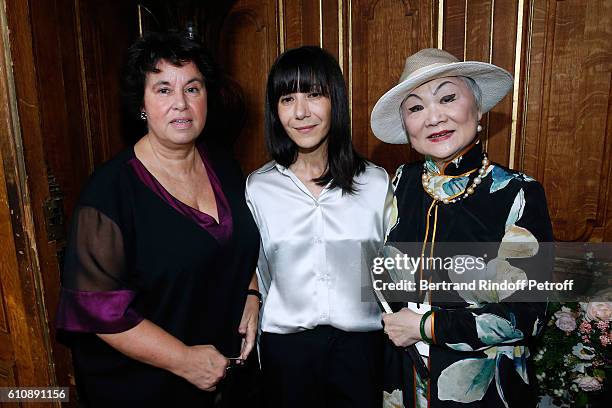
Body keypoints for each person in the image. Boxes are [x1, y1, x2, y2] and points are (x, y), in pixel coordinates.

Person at [55, 31, 261, 406]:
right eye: (164, 89)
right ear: (142, 103)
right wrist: (183, 360)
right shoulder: (109, 193)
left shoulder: (224, 165)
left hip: (226, 377)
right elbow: (99, 310)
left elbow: (238, 240)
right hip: (147, 388)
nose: (180, 104)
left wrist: (251, 291)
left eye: (192, 88)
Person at [370, 48, 554, 407]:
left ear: (478, 108)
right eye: (416, 107)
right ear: (407, 126)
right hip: (403, 382)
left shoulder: (517, 192)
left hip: (483, 389)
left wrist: (424, 327)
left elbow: (527, 315)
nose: (433, 117)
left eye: (448, 97)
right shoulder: (401, 183)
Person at [245, 46, 393, 408]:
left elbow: (391, 271)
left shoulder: (376, 183)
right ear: (275, 111)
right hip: (287, 353)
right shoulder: (258, 188)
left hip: (362, 350)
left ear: (335, 101)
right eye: (287, 98)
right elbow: (258, 270)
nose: (301, 112)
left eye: (314, 95)